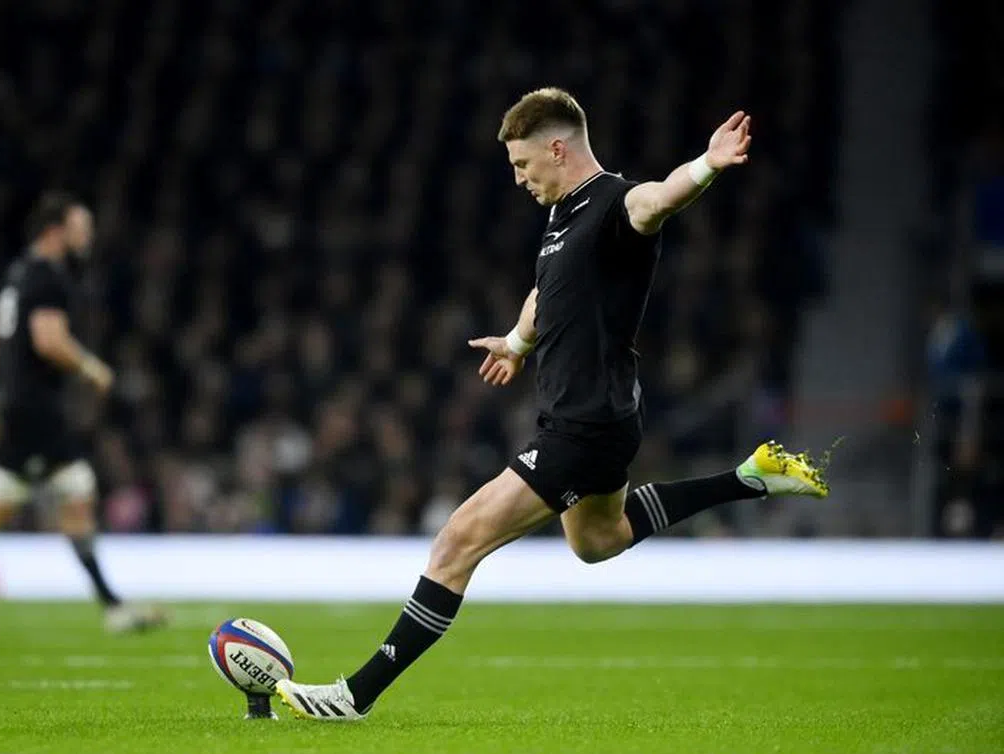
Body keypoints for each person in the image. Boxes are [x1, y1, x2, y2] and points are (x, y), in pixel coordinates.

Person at [274, 88, 829, 720]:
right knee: (596, 541)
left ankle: (355, 696)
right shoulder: (564, 216)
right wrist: (515, 344)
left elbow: (658, 199)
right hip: (600, 416)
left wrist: (706, 165)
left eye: (522, 164)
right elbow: (547, 294)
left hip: (584, 424)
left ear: (557, 149)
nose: (518, 178)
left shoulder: (615, 203)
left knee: (456, 542)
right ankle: (751, 477)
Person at [0, 191, 166, 637]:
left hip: (17, 406)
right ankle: (112, 608)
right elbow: (47, 340)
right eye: (82, 227)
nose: (88, 235)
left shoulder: (18, 273)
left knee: (20, 497)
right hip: (38, 409)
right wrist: (91, 367)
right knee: (68, 487)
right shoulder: (49, 277)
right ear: (56, 230)